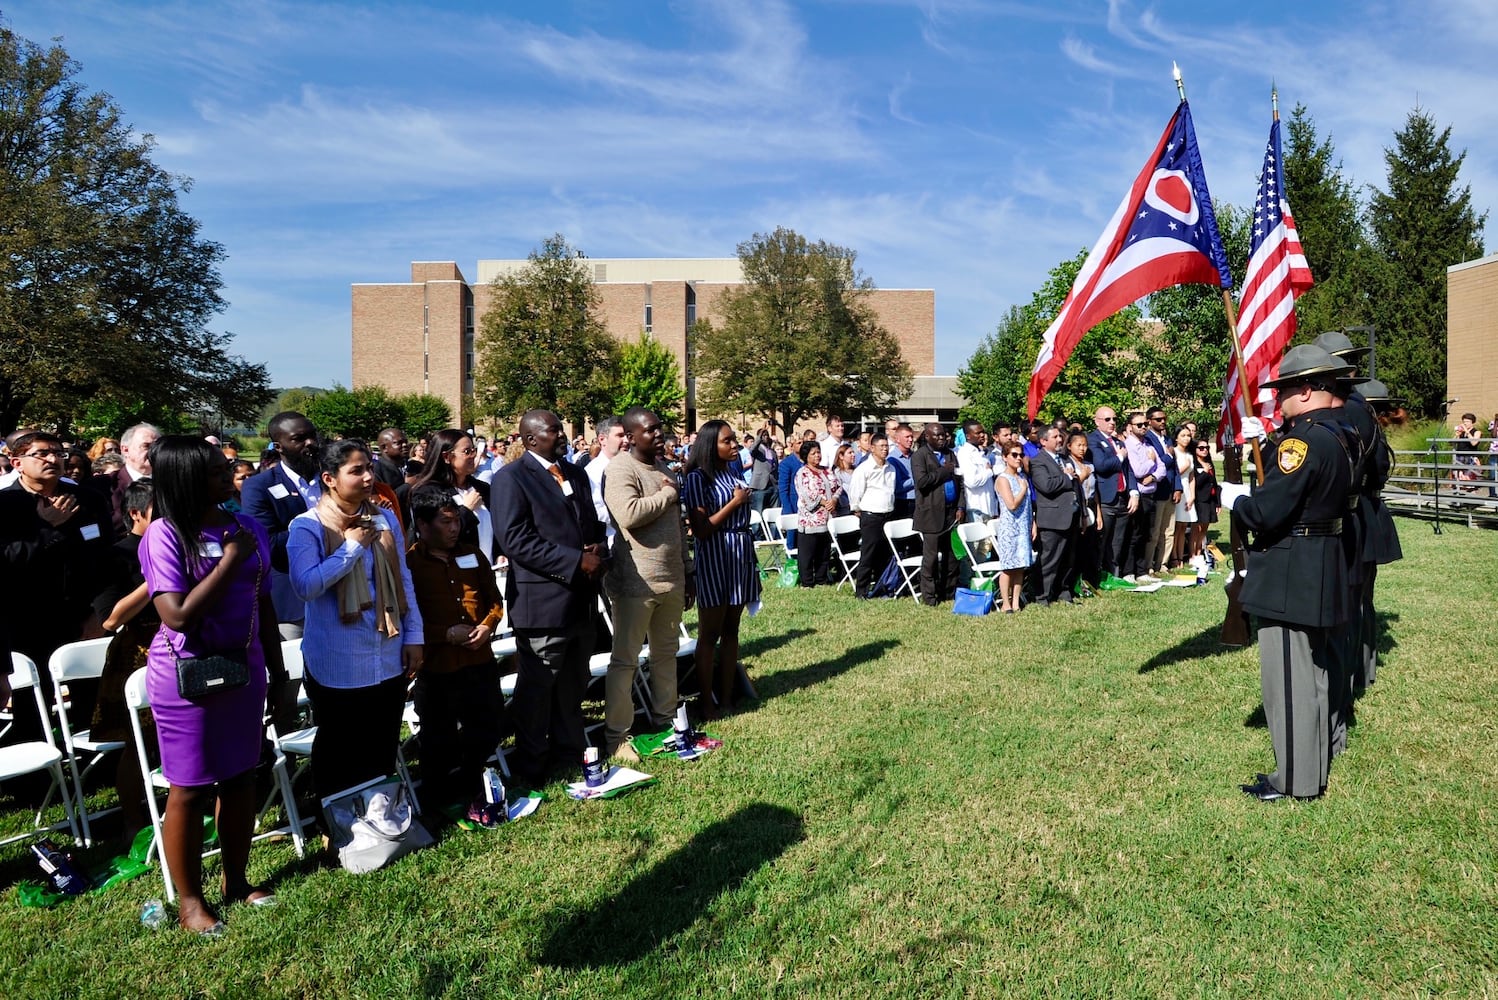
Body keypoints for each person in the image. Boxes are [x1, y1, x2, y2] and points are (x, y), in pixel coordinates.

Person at [139, 436, 286, 932]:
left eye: (228, 470)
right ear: (186, 479)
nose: (230, 478)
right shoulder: (164, 535)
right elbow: (176, 615)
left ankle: (237, 882)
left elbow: (262, 603)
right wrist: (227, 561)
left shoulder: (245, 526)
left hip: (245, 669)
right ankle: (189, 902)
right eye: (217, 473)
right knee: (189, 788)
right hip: (186, 677)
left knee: (241, 776)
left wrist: (280, 672)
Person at [1222, 346, 1356, 802]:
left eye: (1283, 392)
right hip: (1324, 556)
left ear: (1305, 389)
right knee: (1315, 674)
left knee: (1290, 679)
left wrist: (1236, 500)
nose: (1278, 401)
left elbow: (1266, 511)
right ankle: (1312, 765)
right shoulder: (1340, 434)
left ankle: (1297, 780)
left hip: (1292, 563)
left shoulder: (1302, 442)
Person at [287, 439, 423, 803]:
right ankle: (339, 823)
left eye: (369, 468)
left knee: (382, 741)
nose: (368, 478)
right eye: (356, 470)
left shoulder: (383, 516)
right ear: (330, 478)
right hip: (339, 658)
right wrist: (350, 548)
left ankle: (382, 818)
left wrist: (414, 636)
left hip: (388, 647)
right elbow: (305, 585)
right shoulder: (308, 525)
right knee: (340, 746)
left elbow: (404, 578)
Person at [490, 409, 607, 787]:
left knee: (573, 684)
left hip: (581, 600)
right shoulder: (512, 479)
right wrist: (575, 561)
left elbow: (590, 521)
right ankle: (531, 764)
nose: (562, 435)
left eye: (561, 429)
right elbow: (516, 540)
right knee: (538, 690)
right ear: (529, 439)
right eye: (554, 430)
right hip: (542, 603)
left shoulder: (574, 473)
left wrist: (597, 548)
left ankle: (570, 753)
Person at [404, 486, 505, 825]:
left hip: (479, 662)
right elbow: (408, 616)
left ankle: (475, 785)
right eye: (445, 522)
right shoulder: (410, 564)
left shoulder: (473, 555)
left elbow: (494, 600)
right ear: (423, 524)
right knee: (438, 739)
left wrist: (488, 625)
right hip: (438, 667)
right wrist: (444, 634)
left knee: (488, 726)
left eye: (456, 521)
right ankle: (437, 802)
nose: (454, 528)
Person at [601, 408, 695, 761]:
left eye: (660, 429)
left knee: (665, 656)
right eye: (650, 430)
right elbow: (629, 514)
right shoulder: (620, 469)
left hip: (671, 578)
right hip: (636, 583)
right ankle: (616, 736)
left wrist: (687, 572)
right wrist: (669, 495)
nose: (659, 435)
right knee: (625, 662)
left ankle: (665, 719)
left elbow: (677, 529)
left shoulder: (665, 469)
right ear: (629, 435)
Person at [88, 477, 159, 840]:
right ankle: (133, 818)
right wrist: (154, 580)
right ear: (135, 513)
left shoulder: (181, 546)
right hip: (137, 653)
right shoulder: (115, 555)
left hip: (183, 643)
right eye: (160, 513)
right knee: (139, 742)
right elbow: (110, 618)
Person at [683, 420, 761, 719]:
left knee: (732, 630)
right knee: (709, 633)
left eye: (735, 440)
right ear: (710, 445)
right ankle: (707, 702)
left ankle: (728, 696)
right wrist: (735, 502)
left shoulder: (732, 471)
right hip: (715, 554)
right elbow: (700, 530)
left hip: (739, 553)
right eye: (727, 441)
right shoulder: (697, 478)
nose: (734, 445)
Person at [241, 411, 322, 638]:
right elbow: (270, 544)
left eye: (312, 436)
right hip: (293, 603)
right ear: (279, 446)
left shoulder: (332, 477)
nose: (311, 444)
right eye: (299, 438)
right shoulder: (259, 487)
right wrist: (325, 525)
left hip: (342, 595)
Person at [399, 429, 494, 563]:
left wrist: (500, 553)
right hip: (450, 572)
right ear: (446, 457)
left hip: (488, 571)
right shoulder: (427, 491)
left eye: (474, 450)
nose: (473, 455)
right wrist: (467, 510)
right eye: (467, 451)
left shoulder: (482, 488)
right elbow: (435, 536)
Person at [912, 422, 963, 605]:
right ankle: (930, 596)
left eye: (943, 435)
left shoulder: (950, 454)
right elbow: (923, 482)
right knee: (931, 558)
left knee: (951, 557)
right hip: (931, 514)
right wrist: (944, 471)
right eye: (937, 435)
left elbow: (960, 482)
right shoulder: (919, 456)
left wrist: (960, 507)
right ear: (927, 437)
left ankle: (948, 592)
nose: (942, 438)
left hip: (951, 512)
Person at [1029, 427, 1081, 606]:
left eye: (1060, 436)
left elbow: (1077, 486)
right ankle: (1042, 595)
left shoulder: (1065, 459)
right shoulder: (1038, 462)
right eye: (1055, 437)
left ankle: (1063, 591)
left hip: (1071, 516)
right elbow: (1046, 486)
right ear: (1043, 441)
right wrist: (1066, 477)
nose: (1060, 439)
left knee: (1068, 559)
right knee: (1049, 560)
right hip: (1052, 518)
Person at [848, 431, 896, 599]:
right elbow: (855, 493)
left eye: (887, 446)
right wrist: (858, 510)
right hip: (870, 516)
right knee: (868, 554)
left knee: (885, 554)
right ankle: (861, 591)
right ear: (872, 448)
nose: (885, 449)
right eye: (881, 446)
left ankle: (883, 588)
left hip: (888, 515)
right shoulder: (864, 469)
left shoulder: (891, 468)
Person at [93, 422, 161, 535]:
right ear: (125, 450)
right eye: (146, 446)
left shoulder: (171, 484)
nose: (153, 451)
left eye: (157, 447)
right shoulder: (103, 485)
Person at [1122, 412, 1165, 581]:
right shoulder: (1129, 445)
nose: (1143, 427)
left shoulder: (1148, 445)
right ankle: (1129, 571)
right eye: (1139, 425)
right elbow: (1137, 471)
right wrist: (1150, 462)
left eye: (1145, 424)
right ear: (1130, 427)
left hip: (1151, 493)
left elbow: (1161, 468)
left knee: (1146, 534)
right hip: (1138, 495)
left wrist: (1153, 476)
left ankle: (1141, 571)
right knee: (1134, 535)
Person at [993, 445, 1034, 614]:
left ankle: (1016, 601)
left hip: (1023, 526)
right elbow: (1011, 504)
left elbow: (1028, 505)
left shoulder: (1022, 476)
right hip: (1010, 527)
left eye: (1021, 455)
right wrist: (1023, 490)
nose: (1018, 458)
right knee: (1008, 566)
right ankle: (1006, 602)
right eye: (1014, 454)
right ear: (1005, 457)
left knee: (1020, 565)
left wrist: (1033, 524)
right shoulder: (1003, 479)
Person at [794, 442, 840, 587]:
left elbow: (838, 487)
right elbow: (805, 494)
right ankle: (807, 581)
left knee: (824, 551)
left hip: (828, 517)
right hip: (810, 519)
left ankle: (821, 578)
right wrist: (823, 501)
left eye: (818, 452)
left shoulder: (827, 471)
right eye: (813, 453)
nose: (817, 456)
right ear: (805, 456)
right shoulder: (802, 473)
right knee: (807, 554)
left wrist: (834, 499)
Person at [1142, 407, 1179, 576]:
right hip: (1157, 490)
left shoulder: (1167, 439)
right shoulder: (1147, 439)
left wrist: (1177, 487)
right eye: (1158, 419)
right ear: (1149, 421)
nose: (1162, 422)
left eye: (1164, 418)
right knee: (1154, 532)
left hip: (1170, 490)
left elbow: (1175, 467)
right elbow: (1157, 464)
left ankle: (1162, 563)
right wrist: (1168, 455)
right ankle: (1148, 565)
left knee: (1169, 531)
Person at [1064, 430, 1100, 594]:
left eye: (1085, 445)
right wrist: (1082, 476)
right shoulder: (1067, 465)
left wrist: (1098, 513)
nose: (1082, 449)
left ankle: (1089, 582)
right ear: (1070, 446)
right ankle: (1072, 584)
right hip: (1077, 508)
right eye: (1079, 445)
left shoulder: (1089, 465)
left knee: (1090, 547)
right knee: (1075, 549)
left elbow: (1095, 491)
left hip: (1091, 505)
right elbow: (1071, 487)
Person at [585, 415, 626, 546]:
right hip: (613, 540)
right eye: (620, 435)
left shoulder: (631, 465)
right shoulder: (593, 471)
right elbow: (596, 510)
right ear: (602, 439)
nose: (626, 440)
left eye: (627, 435)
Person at [956, 420, 997, 523]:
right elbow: (971, 482)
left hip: (989, 509)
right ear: (968, 436)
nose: (982, 435)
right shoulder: (965, 453)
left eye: (983, 432)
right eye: (978, 433)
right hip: (977, 510)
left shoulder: (980, 452)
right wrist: (988, 472)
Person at [1170, 427, 1198, 567]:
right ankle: (1173, 557)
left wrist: (1192, 495)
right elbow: (1174, 474)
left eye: (1188, 435)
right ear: (1176, 438)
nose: (1186, 438)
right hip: (1177, 488)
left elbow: (1192, 476)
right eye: (1183, 435)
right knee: (1175, 526)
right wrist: (1185, 467)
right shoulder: (1173, 452)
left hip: (1187, 489)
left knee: (1183, 525)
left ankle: (1181, 556)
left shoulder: (1190, 455)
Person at [1190, 442, 1219, 560]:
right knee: (1197, 528)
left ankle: (1200, 551)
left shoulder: (1209, 463)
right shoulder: (1194, 464)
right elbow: (1195, 483)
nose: (1204, 450)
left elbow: (1215, 483)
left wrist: (1218, 502)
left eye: (1207, 448)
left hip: (1210, 499)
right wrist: (1205, 472)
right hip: (1199, 498)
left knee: (1205, 527)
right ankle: (1193, 554)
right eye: (1201, 448)